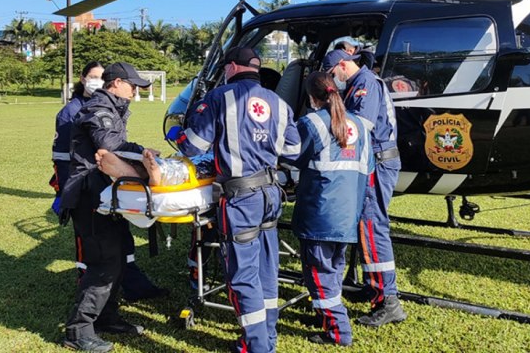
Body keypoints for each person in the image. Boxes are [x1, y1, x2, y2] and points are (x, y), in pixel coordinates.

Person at [173, 46, 301, 353]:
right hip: (271, 194)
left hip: (241, 197)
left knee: (243, 274)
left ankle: (257, 347)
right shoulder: (279, 103)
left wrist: (179, 132)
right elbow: (294, 152)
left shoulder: (220, 97)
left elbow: (192, 146)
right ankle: (266, 337)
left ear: (231, 67)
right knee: (267, 268)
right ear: (256, 68)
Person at [60, 62, 159, 353]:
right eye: (133, 87)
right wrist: (144, 154)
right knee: (103, 263)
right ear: (115, 83)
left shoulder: (112, 107)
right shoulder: (98, 109)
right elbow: (110, 143)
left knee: (117, 258)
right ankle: (78, 330)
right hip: (90, 195)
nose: (136, 93)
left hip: (108, 194)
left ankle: (107, 317)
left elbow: (119, 144)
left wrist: (145, 153)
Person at [322, 49, 407, 327]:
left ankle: (388, 301)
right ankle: (375, 288)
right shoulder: (360, 83)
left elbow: (360, 126)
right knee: (366, 227)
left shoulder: (365, 83)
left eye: (333, 75)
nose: (333, 82)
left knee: (372, 228)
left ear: (343, 65)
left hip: (378, 163)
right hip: (373, 161)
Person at [290, 72, 373, 347]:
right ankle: (325, 316)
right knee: (333, 270)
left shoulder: (311, 122)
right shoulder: (360, 125)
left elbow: (292, 156)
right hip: (348, 214)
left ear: (312, 97)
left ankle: (338, 330)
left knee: (318, 274)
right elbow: (368, 169)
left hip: (319, 214)